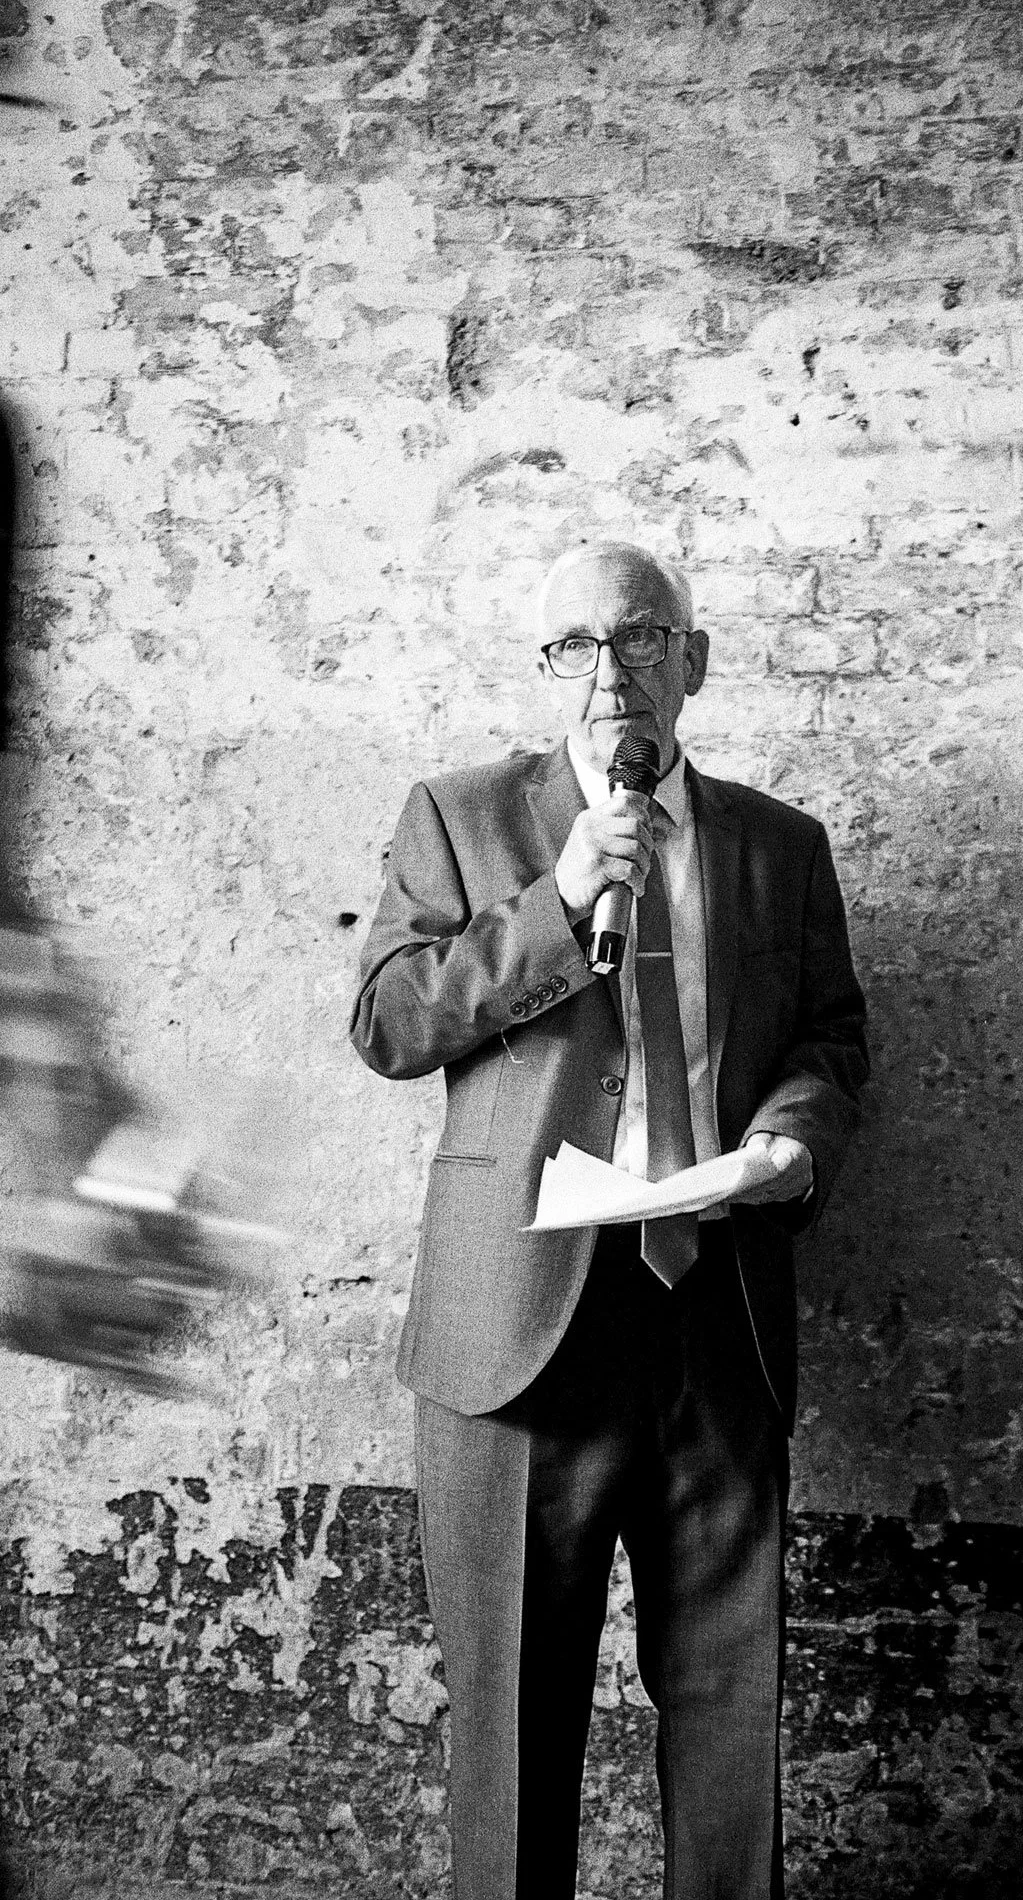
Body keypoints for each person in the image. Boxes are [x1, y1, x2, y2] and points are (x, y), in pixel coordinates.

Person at [350, 538, 870, 1899]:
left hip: (716, 1316)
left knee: (728, 1722)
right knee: (513, 1740)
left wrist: (791, 1143)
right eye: (572, 646)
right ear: (543, 672)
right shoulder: (458, 818)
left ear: (689, 662)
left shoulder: (779, 846)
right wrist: (559, 900)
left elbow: (827, 1040)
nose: (606, 675)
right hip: (516, 1329)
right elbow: (390, 1024)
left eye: (636, 638)